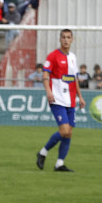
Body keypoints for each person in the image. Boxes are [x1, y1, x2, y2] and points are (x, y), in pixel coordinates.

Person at [36, 29, 85, 172]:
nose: (66, 40)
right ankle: (43, 152)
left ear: (72, 40)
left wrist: (80, 96)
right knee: (64, 131)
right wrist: (48, 91)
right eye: (63, 37)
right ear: (60, 39)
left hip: (70, 100)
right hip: (57, 99)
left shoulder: (73, 57)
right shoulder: (53, 56)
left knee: (68, 132)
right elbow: (45, 75)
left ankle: (59, 163)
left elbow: (75, 78)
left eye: (68, 37)